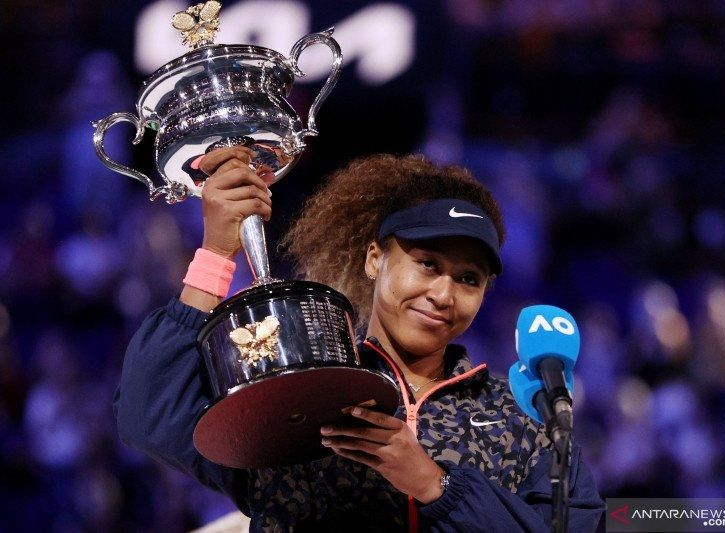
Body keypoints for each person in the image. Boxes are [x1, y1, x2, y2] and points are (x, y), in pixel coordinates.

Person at [114, 148, 605, 532]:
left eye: (468, 279)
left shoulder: (520, 417)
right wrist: (217, 252)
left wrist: (437, 487)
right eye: (427, 264)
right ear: (375, 259)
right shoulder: (301, 387)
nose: (442, 294)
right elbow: (149, 415)